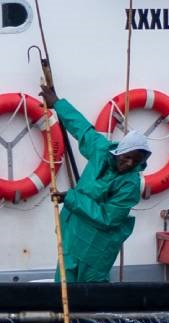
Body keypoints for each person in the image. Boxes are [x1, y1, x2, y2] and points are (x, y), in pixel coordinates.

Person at [39, 83, 148, 283]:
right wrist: (58, 104)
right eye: (127, 156)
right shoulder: (101, 150)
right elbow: (81, 128)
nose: (129, 163)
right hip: (72, 235)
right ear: (119, 151)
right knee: (64, 283)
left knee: (91, 294)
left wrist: (71, 197)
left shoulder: (131, 184)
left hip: (98, 248)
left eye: (136, 160)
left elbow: (108, 218)